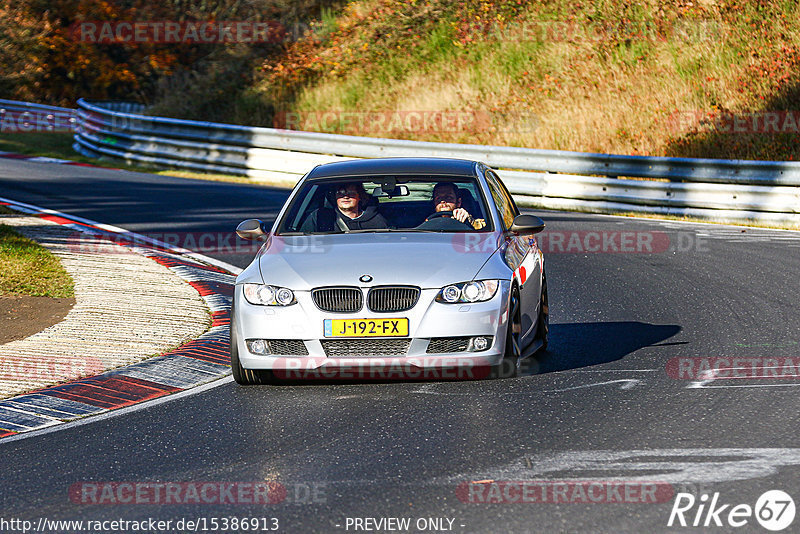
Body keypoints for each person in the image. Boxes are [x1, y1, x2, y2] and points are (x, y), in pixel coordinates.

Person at [300, 182, 389, 232]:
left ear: (360, 197)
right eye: (340, 193)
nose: (345, 197)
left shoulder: (377, 221)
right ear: (335, 196)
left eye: (351, 193)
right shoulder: (319, 217)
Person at [417, 182, 485, 230]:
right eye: (439, 198)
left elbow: (486, 229)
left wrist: (470, 221)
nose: (443, 201)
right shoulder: (425, 221)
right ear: (434, 203)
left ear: (458, 202)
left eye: (448, 197)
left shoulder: (467, 219)